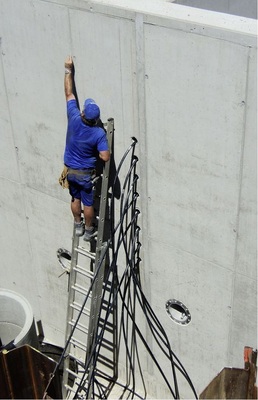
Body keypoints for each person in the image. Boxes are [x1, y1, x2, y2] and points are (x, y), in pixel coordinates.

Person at [63, 56, 110, 241]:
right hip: (84, 174)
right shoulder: (98, 133)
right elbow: (105, 157)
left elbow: (69, 94)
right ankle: (89, 230)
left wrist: (68, 70)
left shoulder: (73, 117)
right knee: (88, 204)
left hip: (70, 170)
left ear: (83, 112)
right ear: (96, 119)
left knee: (75, 199)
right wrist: (99, 151)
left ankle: (78, 225)